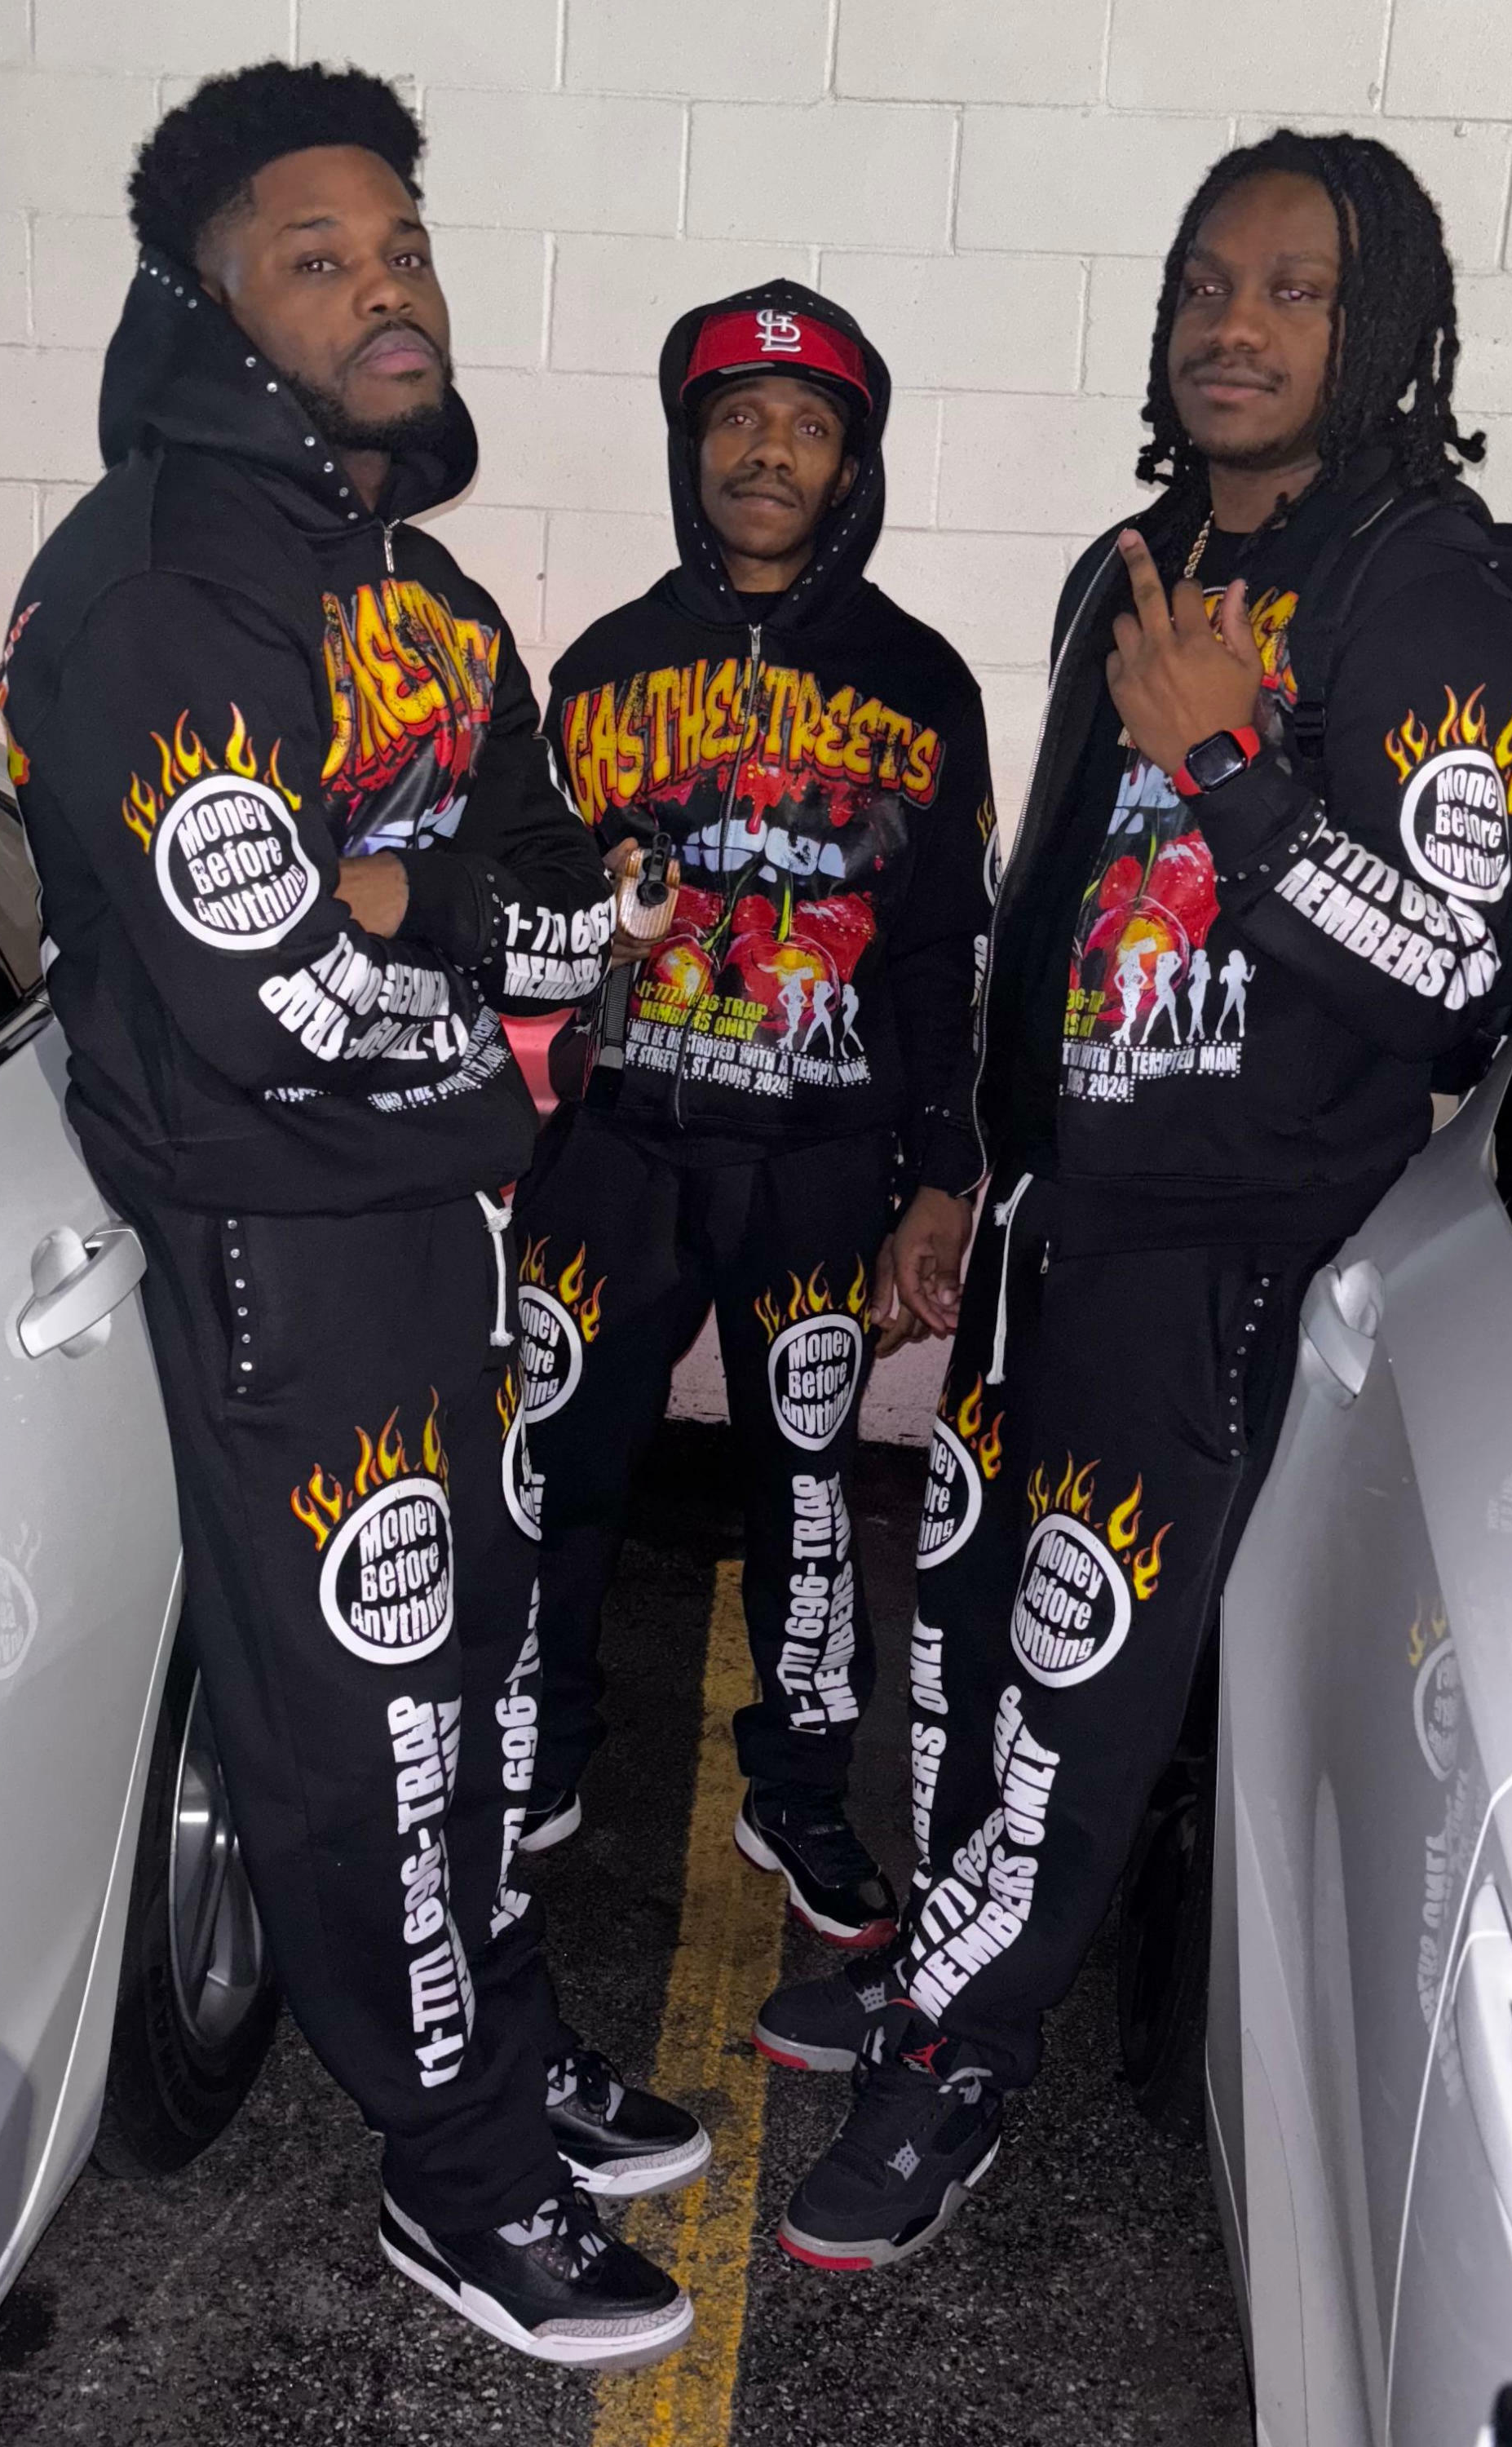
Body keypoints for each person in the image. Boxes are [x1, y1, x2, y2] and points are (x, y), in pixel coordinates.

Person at [755, 131, 1512, 2268]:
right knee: (965, 1636)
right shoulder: (1125, 566)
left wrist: (1236, 773)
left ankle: (969, 2056)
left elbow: (1462, 976)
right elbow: (1052, 898)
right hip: (1061, 1214)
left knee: (1080, 1672)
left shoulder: (1438, 599)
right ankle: (946, 1949)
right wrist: (968, 1167)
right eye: (1207, 286)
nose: (1235, 326)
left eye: (1293, 292)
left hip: (1229, 1243)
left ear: (1379, 330)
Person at [0, 63, 705, 2367]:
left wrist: (442, 908)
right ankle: (453, 2174)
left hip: (439, 1219)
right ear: (208, 308)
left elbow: (577, 894)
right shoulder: (155, 588)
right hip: (280, 1252)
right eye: (318, 258)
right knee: (370, 1733)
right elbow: (267, 993)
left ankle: (503, 2052)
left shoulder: (426, 594)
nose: (387, 287)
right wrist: (472, 945)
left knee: (481, 1691)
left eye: (401, 246)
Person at [513, 284, 994, 1950]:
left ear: (851, 462)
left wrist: (943, 1173)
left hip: (816, 1160)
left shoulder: (920, 684)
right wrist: (530, 1113)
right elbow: (544, 924)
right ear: (689, 447)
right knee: (557, 1462)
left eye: (805, 426)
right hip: (619, 1151)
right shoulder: (601, 668)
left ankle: (796, 1788)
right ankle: (539, 1747)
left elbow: (944, 953)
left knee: (807, 1488)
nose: (766, 451)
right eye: (735, 419)